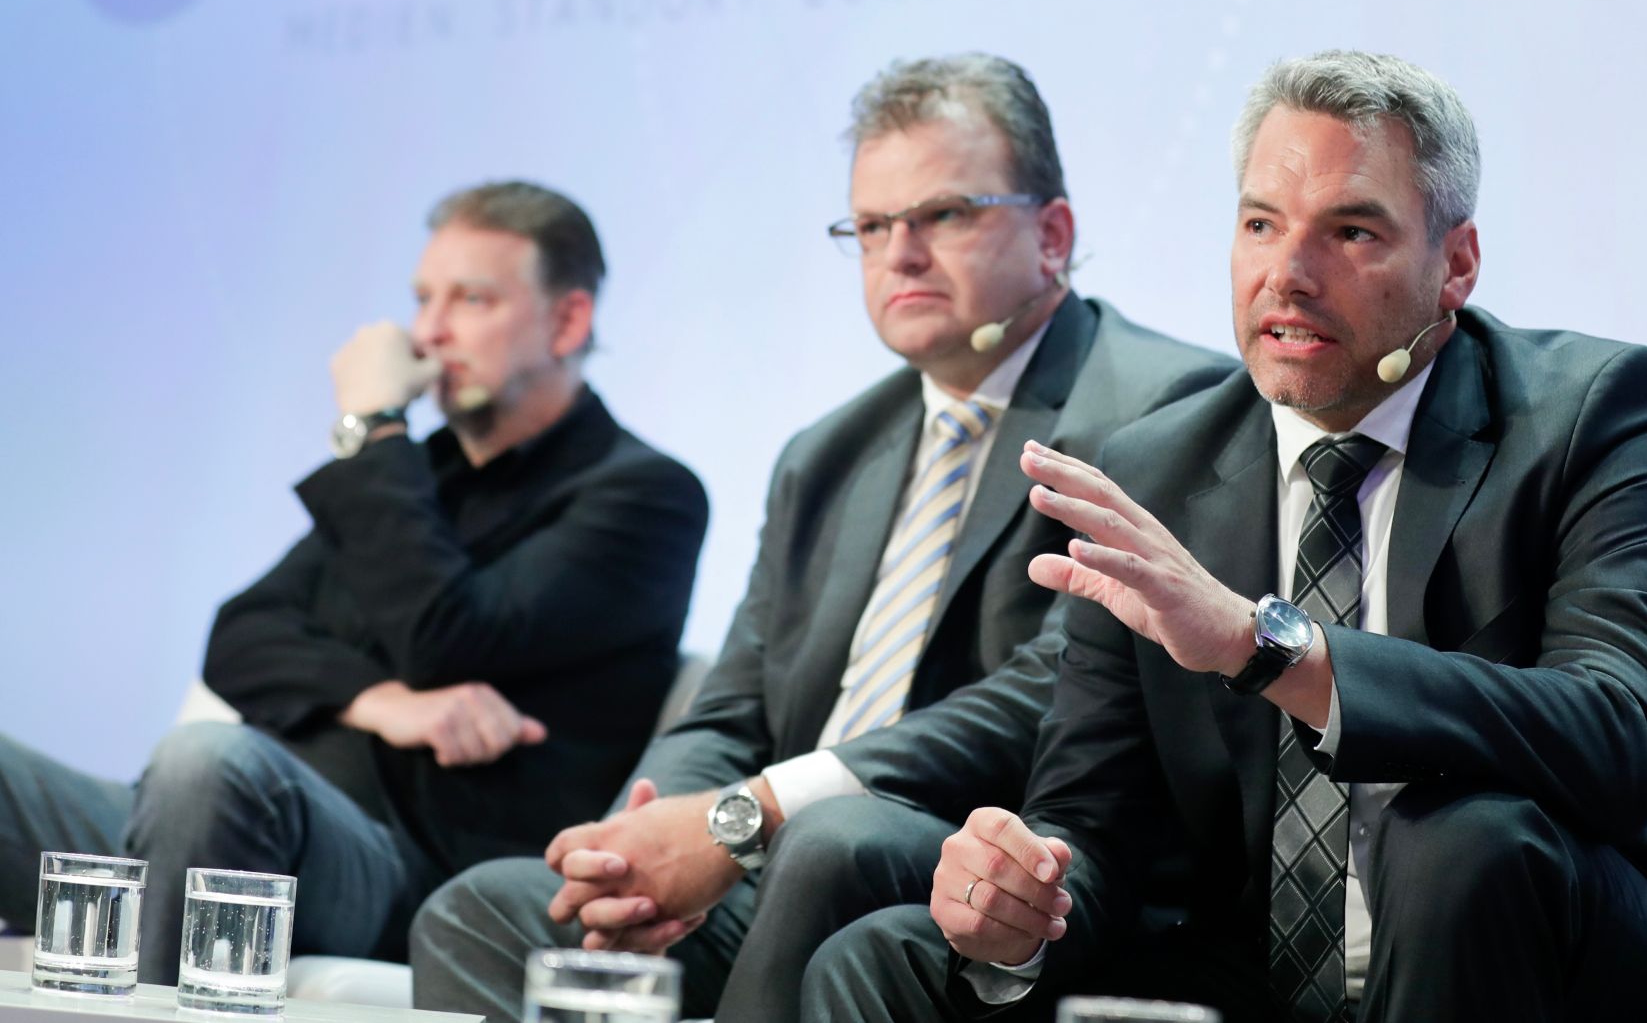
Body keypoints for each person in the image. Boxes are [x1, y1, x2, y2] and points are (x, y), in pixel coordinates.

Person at [806, 51, 1647, 1022]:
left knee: (1456, 840)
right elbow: (1094, 824)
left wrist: (1268, 649)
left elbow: (1618, 736)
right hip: (1256, 967)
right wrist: (1021, 903)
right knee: (883, 957)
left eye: (1348, 231)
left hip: (1575, 942)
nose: (1287, 274)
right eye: (1259, 223)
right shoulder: (1154, 469)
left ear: (1455, 263)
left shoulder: (1594, 415)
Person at [410, 54, 1235, 1023]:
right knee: (479, 911)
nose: (902, 254)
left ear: (1051, 233)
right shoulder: (825, 452)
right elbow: (731, 703)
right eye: (873, 227)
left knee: (829, 839)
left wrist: (747, 815)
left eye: (945, 215)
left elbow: (1051, 686)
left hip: (985, 874)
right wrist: (646, 840)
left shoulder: (1160, 413)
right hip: (777, 856)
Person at [0, 180, 709, 984]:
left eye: (471, 299)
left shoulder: (642, 497)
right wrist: (387, 705)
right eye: (422, 299)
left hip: (407, 869)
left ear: (568, 320)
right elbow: (241, 636)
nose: (430, 332)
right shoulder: (415, 478)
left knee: (212, 761)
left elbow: (447, 635)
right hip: (214, 824)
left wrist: (372, 428)